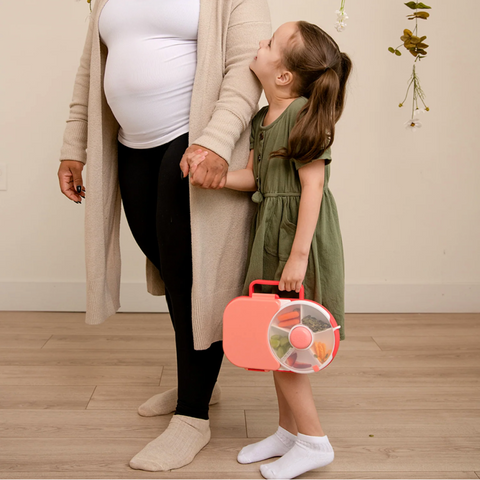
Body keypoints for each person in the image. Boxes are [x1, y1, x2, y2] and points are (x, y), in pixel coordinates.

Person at [57, 0, 271, 472]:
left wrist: (214, 141)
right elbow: (90, 71)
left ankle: (192, 417)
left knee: (193, 277)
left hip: (194, 140)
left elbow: (245, 68)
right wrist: (74, 145)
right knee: (170, 268)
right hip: (131, 146)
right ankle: (202, 381)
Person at [188, 21, 351, 479]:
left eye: (268, 44)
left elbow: (313, 187)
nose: (258, 45)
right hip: (271, 236)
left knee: (290, 341)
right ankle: (287, 432)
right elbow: (255, 179)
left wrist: (299, 256)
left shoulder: (302, 116)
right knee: (270, 335)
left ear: (282, 75)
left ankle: (315, 440)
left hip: (299, 241)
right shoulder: (264, 119)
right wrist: (214, 175)